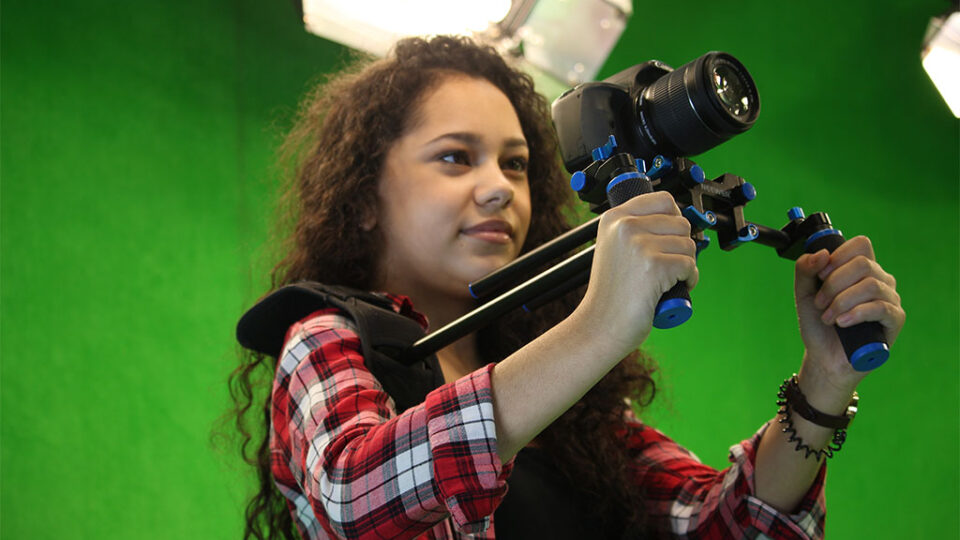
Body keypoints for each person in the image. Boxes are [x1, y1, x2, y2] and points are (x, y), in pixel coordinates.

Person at [229, 36, 905, 539]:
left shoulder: (565, 401)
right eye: (455, 157)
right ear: (365, 197)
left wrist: (825, 382)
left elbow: (722, 524)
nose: (499, 188)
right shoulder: (325, 335)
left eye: (517, 164)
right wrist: (598, 328)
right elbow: (353, 493)